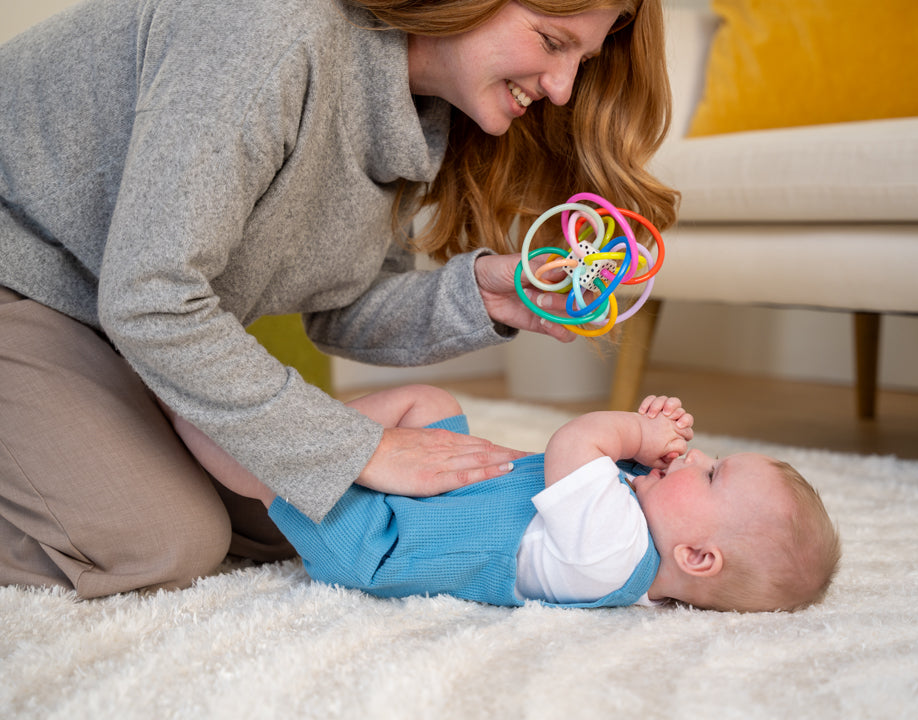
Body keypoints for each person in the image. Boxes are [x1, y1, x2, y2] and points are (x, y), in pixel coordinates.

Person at [0, 0, 679, 598]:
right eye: (552, 41)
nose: (562, 89)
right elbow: (153, 297)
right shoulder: (270, 31)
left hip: (112, 321)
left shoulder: (420, 115)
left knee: (301, 511)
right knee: (162, 542)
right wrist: (352, 448)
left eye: (581, 60)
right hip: (25, 280)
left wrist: (484, 298)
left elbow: (341, 307)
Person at [165, 385, 842, 612]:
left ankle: (194, 416)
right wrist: (648, 451)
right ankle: (295, 417)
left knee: (293, 466)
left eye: (712, 476)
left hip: (388, 537)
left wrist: (635, 430)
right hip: (438, 497)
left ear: (696, 556)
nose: (695, 457)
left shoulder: (611, 554)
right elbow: (604, 477)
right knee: (430, 403)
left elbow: (573, 445)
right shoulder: (634, 533)